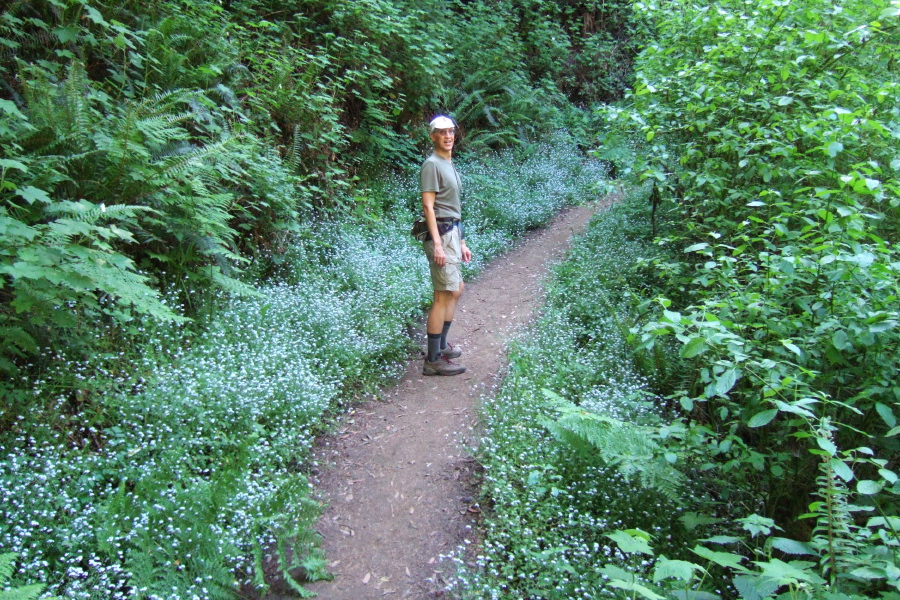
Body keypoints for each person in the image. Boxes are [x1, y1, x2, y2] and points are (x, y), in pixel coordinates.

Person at [420, 115, 471, 376]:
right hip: (441, 234)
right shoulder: (432, 165)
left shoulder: (448, 162)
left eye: (451, 131)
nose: (448, 136)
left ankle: (440, 344)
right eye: (442, 133)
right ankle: (432, 360)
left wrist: (461, 241)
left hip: (452, 232)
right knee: (442, 295)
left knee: (456, 289)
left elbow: (454, 207)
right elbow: (429, 206)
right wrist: (438, 245)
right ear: (433, 137)